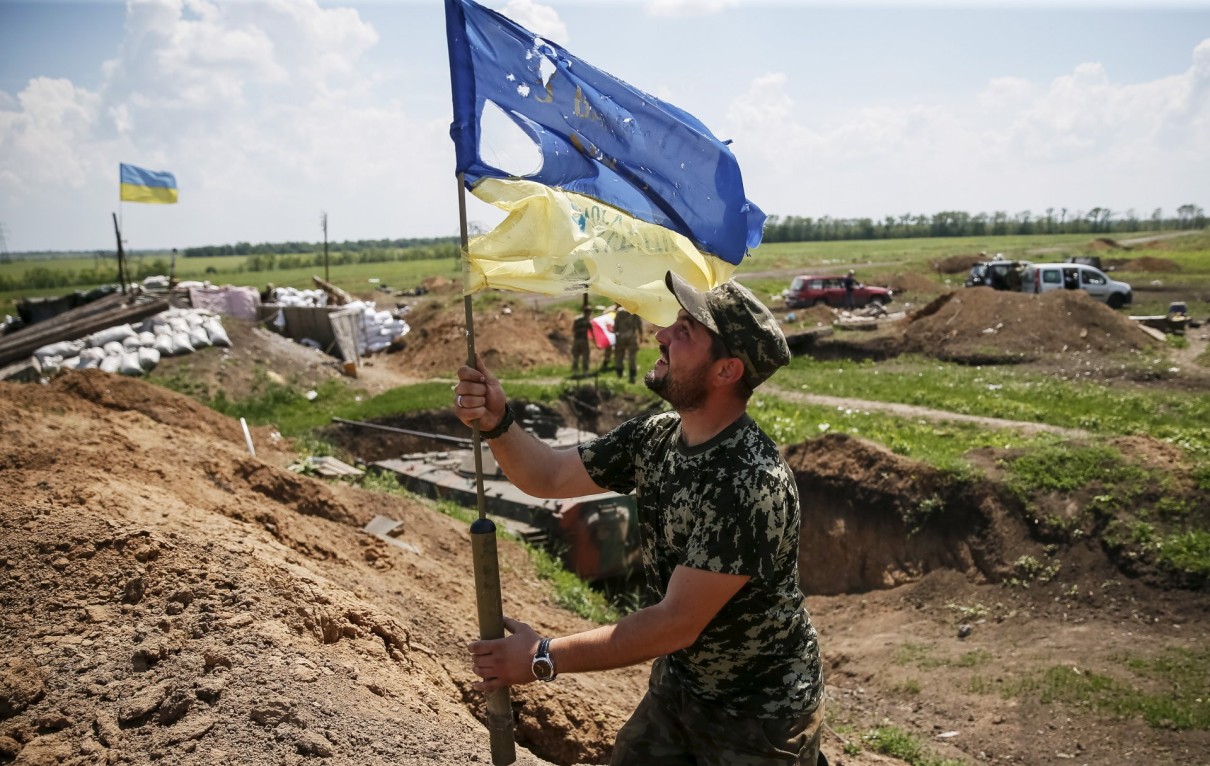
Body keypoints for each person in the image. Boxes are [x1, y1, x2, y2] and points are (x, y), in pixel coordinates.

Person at [454, 271, 826, 766]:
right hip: (682, 687)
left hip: (760, 714)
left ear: (726, 371)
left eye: (685, 332)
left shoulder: (750, 482)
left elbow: (674, 624)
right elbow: (550, 475)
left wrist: (542, 656)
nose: (661, 335)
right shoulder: (656, 437)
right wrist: (498, 423)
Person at [612, 306, 642, 383]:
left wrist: (615, 333)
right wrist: (641, 336)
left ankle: (619, 375)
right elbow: (639, 324)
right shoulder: (634, 311)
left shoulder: (619, 311)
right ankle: (632, 377)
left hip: (621, 337)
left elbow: (615, 324)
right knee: (632, 357)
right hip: (632, 337)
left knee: (619, 356)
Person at [570, 307, 592, 375]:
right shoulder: (587, 320)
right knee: (585, 356)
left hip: (576, 340)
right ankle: (585, 372)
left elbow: (573, 329)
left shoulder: (577, 319)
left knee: (575, 357)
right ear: (588, 312)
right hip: (584, 340)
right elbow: (592, 330)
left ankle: (575, 372)